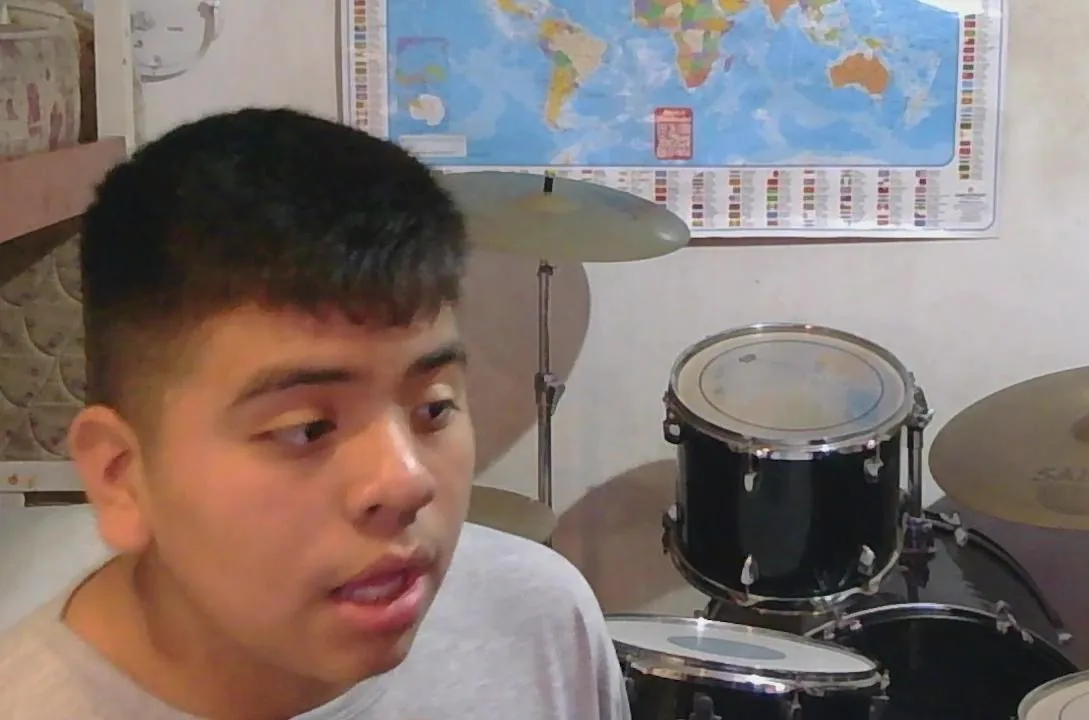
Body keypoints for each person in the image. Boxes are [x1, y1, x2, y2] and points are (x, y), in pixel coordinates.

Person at [0, 108, 631, 720]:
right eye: (307, 429)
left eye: (434, 408)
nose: (406, 481)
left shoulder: (542, 622)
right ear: (121, 474)